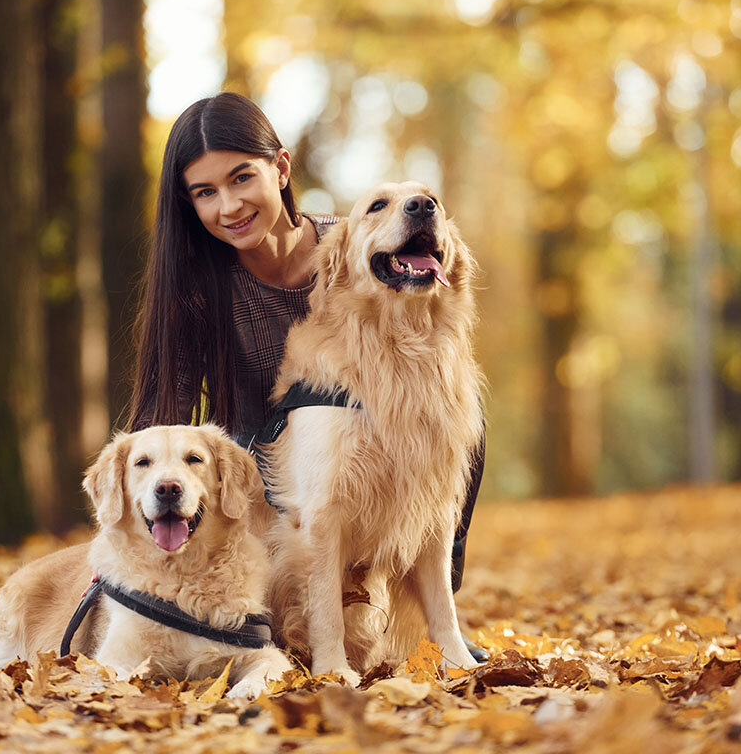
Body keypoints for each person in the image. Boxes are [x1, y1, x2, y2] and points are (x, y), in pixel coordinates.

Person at [126, 93, 485, 653]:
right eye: (205, 192)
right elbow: (160, 425)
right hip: (265, 474)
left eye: (242, 178)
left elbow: (431, 333)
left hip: (374, 446)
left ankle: (435, 619)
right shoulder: (198, 294)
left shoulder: (354, 241)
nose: (229, 206)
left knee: (460, 417)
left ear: (281, 168)